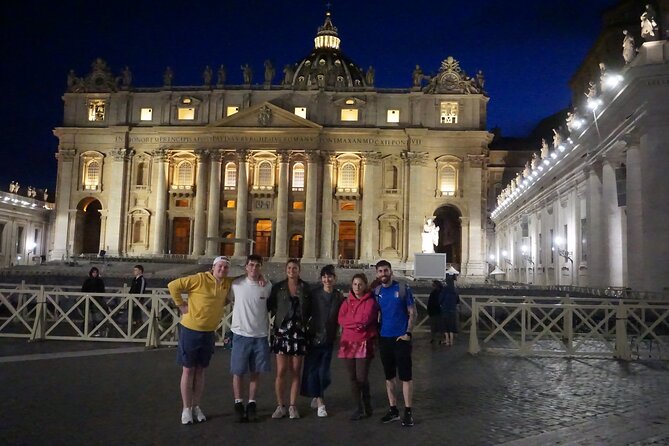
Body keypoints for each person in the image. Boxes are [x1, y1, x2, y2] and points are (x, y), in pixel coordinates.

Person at [167, 256, 233, 425]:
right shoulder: (199, 278)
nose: (222, 269)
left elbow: (241, 281)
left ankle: (196, 406)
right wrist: (181, 305)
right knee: (188, 370)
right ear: (213, 267)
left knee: (201, 371)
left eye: (226, 267)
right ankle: (186, 409)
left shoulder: (226, 283)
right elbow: (173, 285)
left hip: (209, 332)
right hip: (190, 330)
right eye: (220, 266)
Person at [229, 254, 272, 423]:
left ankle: (252, 403)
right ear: (246, 267)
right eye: (251, 265)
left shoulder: (267, 285)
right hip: (240, 334)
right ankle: (238, 403)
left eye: (257, 265)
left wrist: (264, 278)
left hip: (260, 335)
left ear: (261, 267)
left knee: (256, 372)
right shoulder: (236, 284)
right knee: (238, 371)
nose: (254, 268)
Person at [374, 260, 417, 427]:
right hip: (385, 338)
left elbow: (412, 312)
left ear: (391, 271)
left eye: (386, 270)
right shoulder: (377, 292)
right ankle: (393, 409)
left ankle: (408, 411)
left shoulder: (403, 289)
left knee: (406, 376)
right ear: (377, 274)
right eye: (380, 271)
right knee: (389, 376)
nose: (383, 274)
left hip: (401, 338)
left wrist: (408, 333)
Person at [268, 259, 312, 420]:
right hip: (282, 332)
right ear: (285, 270)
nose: (292, 270)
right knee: (281, 371)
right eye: (289, 268)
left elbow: (311, 308)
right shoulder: (278, 287)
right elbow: (270, 305)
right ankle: (280, 406)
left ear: (299, 270)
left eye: (294, 268)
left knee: (295, 372)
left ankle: (292, 405)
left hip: (299, 333)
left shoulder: (306, 288)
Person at [300, 264, 344, 417]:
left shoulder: (339, 296)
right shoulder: (314, 294)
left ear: (334, 278)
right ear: (321, 279)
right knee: (314, 370)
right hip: (314, 337)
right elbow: (303, 311)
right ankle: (320, 401)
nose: (327, 279)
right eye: (324, 277)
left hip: (330, 338)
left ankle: (315, 393)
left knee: (324, 372)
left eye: (330, 276)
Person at [338, 273, 379, 420]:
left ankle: (366, 404)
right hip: (348, 342)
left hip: (363, 342)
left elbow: (365, 320)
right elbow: (341, 319)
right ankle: (358, 407)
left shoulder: (370, 302)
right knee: (352, 377)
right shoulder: (346, 302)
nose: (357, 287)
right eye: (355, 284)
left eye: (360, 284)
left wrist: (352, 323)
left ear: (365, 285)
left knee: (362, 377)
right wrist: (354, 324)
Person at [81, 267, 106, 335]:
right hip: (88, 300)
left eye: (96, 272)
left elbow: (102, 291)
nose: (94, 274)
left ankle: (95, 331)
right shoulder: (87, 281)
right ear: (91, 273)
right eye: (93, 272)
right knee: (87, 316)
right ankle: (82, 331)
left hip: (96, 301)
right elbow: (83, 290)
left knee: (96, 316)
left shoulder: (99, 281)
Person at [439, 280, 460, 346]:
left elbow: (440, 300)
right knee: (451, 326)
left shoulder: (444, 290)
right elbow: (457, 301)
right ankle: (451, 341)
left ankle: (447, 340)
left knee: (445, 326)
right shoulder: (455, 291)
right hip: (453, 311)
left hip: (445, 310)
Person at [426, 280, 444, 344]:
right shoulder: (441, 292)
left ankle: (434, 338)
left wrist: (429, 311)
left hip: (434, 312)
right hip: (439, 311)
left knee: (434, 326)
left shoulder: (433, 293)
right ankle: (440, 339)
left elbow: (430, 303)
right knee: (440, 326)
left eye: (433, 285)